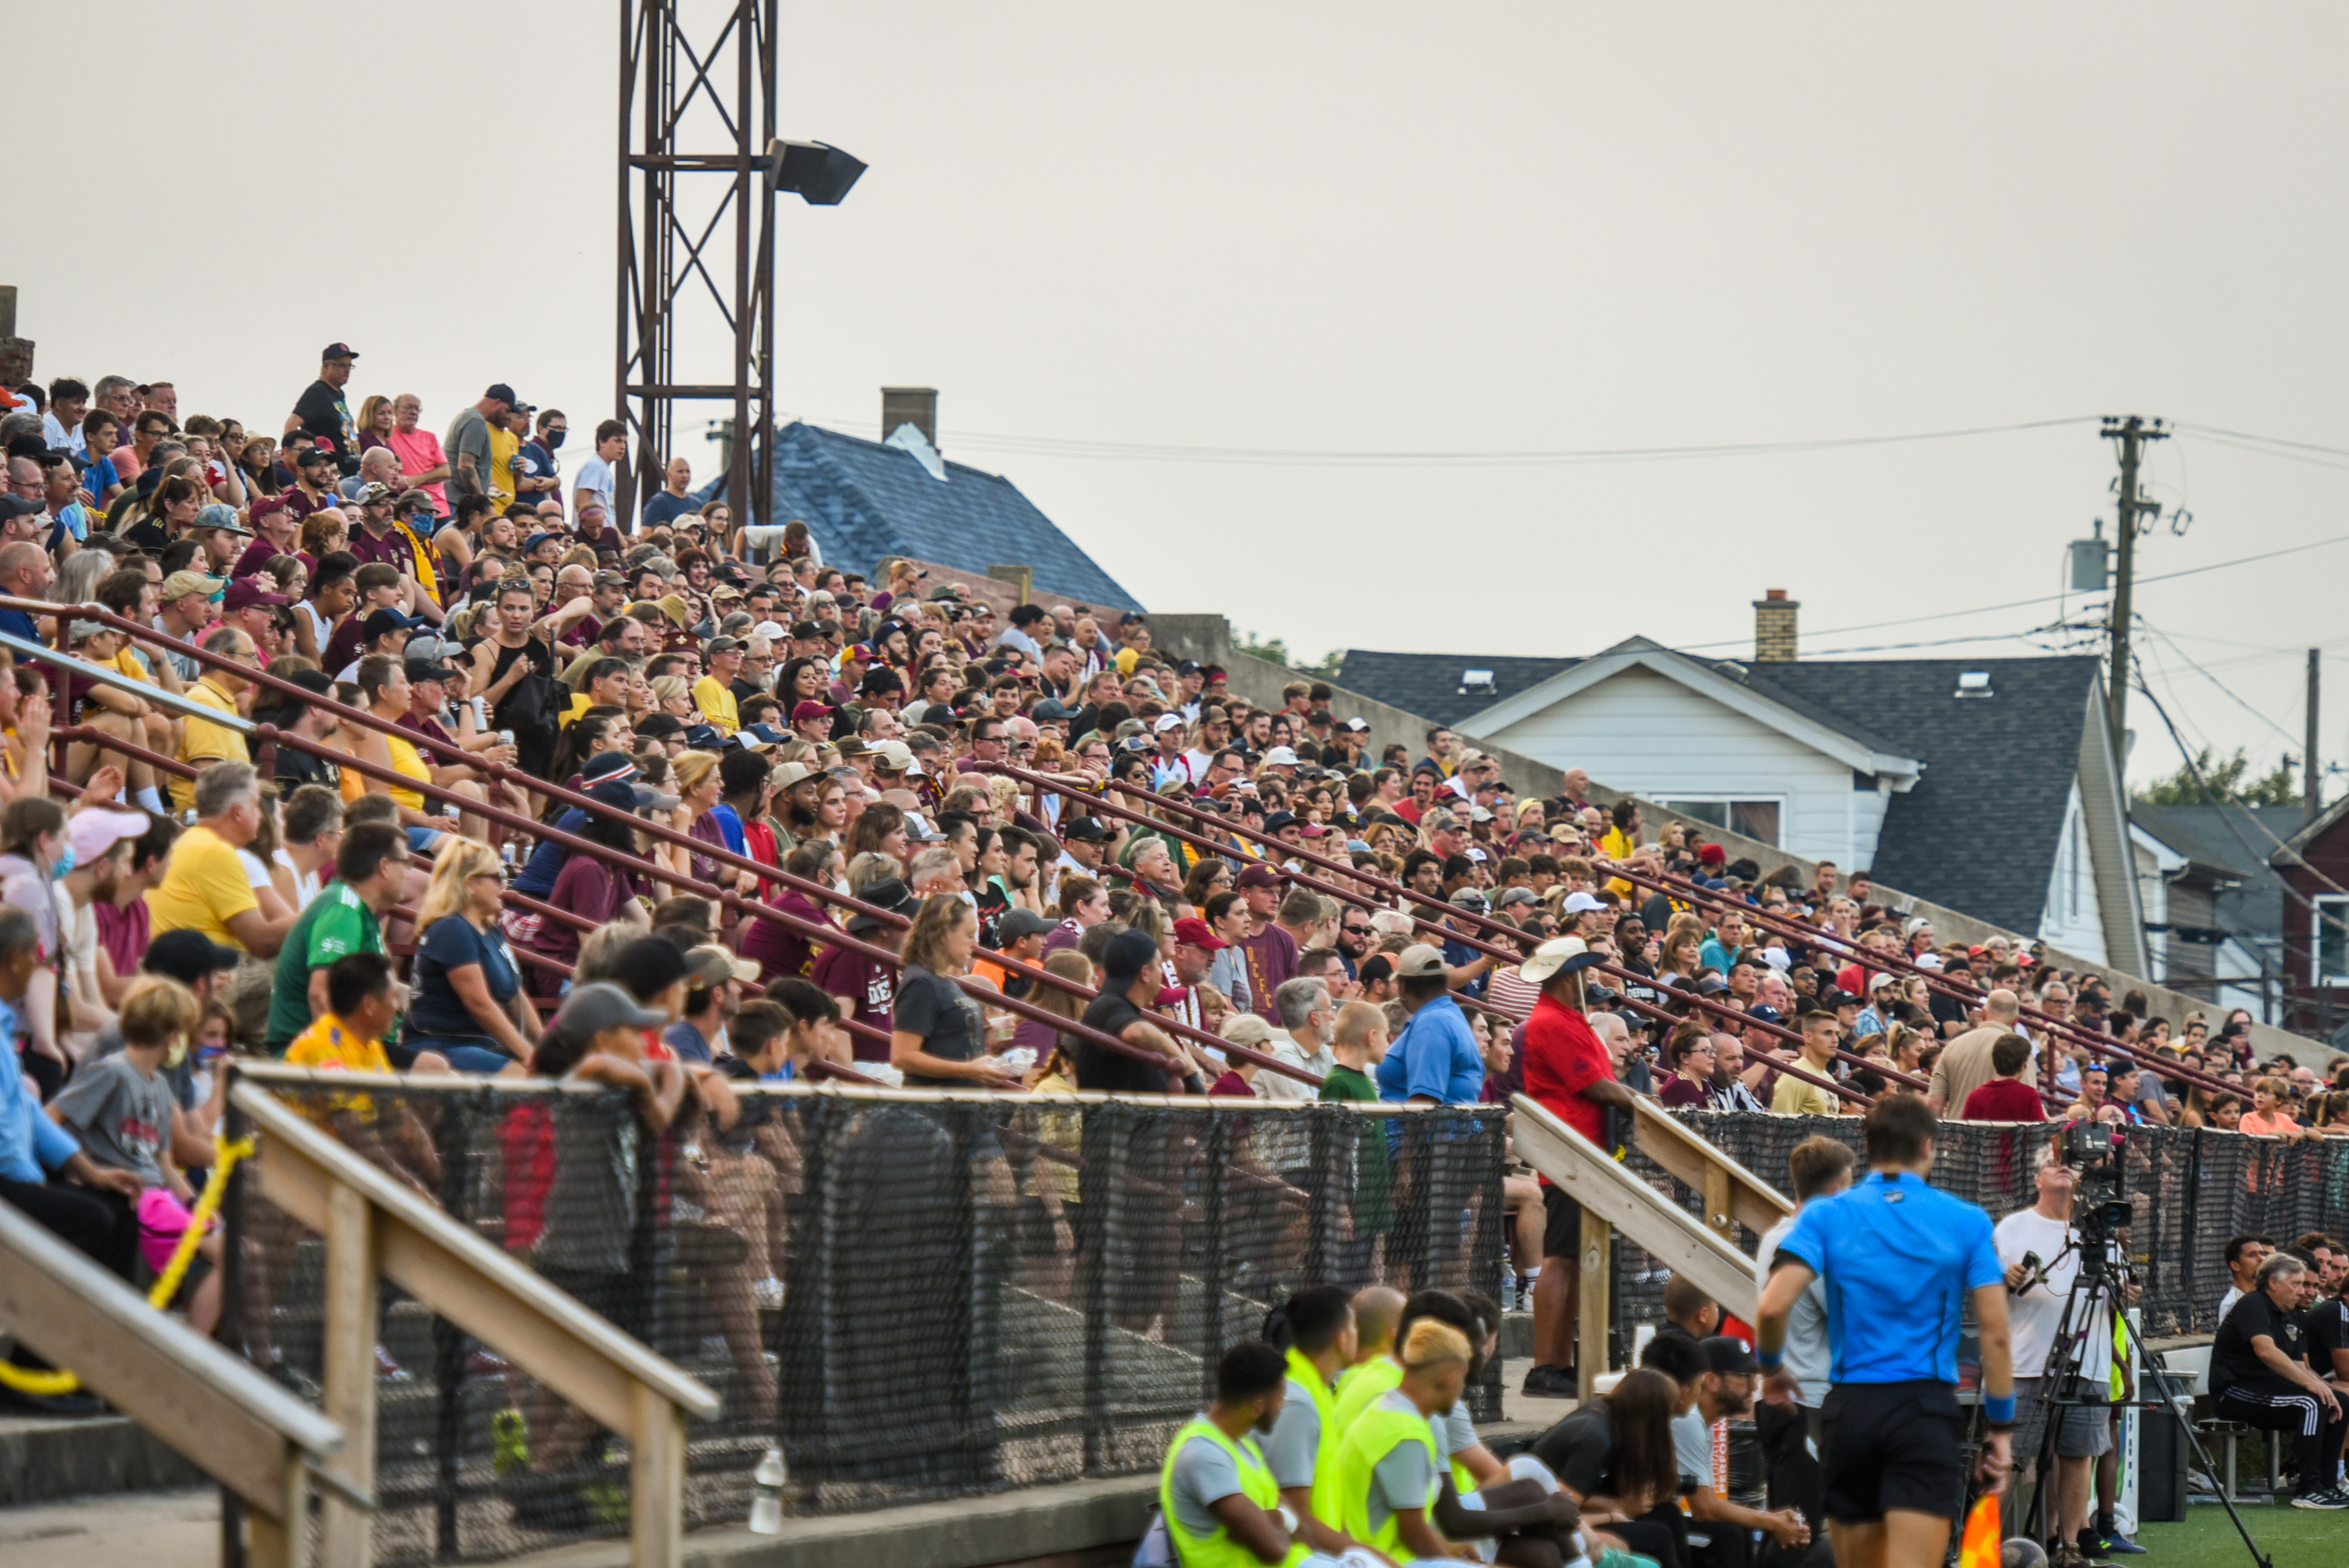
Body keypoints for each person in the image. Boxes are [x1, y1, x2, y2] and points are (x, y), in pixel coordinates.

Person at [1757, 1094, 2015, 1568]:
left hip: (1851, 1410)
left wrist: (1772, 1369)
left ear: (1869, 1146)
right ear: (1927, 1145)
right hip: (1923, 1409)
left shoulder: (1824, 1214)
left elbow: (1773, 1307)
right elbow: (1997, 1335)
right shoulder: (1967, 1221)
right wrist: (2001, 1429)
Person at [1518, 935, 1636, 1399]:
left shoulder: (1566, 1018)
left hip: (1580, 1152)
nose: (1589, 978)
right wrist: (1640, 1107)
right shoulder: (1553, 1022)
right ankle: (1545, 1364)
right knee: (1561, 1260)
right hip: (1571, 1153)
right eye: (1583, 970)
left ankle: (1558, 1364)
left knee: (1567, 1260)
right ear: (1569, 975)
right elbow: (1595, 1085)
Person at [1994, 1144, 2116, 1565]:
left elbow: (2115, 1301)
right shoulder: (2012, 1228)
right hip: (2028, 1362)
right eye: (2052, 1162)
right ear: (2037, 1179)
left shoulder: (2100, 1231)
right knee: (2012, 1456)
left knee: (2078, 1454)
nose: (2063, 1167)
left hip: (2089, 1362)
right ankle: (1984, 1546)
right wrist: (2005, 1278)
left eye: (2070, 1163)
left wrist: (2126, 1293)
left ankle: (2069, 1546)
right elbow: (1987, 1292)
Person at [1752, 1135, 1853, 1558]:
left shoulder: (1778, 1234)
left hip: (1792, 1398)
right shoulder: (1804, 1241)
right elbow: (1846, 1314)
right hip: (1804, 1401)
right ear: (1835, 1191)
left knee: (1788, 1528)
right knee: (1799, 1534)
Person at [2208, 1253, 2349, 1508]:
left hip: (2269, 1389)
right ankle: (2308, 1489)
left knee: (2339, 1401)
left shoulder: (2294, 1316)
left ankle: (2329, 1484)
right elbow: (2266, 1351)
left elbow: (2298, 1366)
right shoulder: (2253, 1304)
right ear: (2274, 1283)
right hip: (2234, 1390)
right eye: (2296, 1284)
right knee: (2310, 1403)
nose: (2302, 1291)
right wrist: (2311, 1386)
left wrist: (2325, 1388)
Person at [262, 823, 410, 1057]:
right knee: (435, 1067)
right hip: (303, 1056)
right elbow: (320, 994)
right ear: (384, 866)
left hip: (362, 1046)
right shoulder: (342, 907)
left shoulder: (361, 910)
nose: (409, 872)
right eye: (405, 863)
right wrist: (341, 1069)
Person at [402, 839, 537, 1074]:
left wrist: (546, 1053)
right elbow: (479, 1004)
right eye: (497, 877)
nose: (503, 886)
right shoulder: (452, 928)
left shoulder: (490, 930)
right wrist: (529, 1056)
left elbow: (517, 997)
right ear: (470, 883)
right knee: (523, 1075)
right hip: (443, 1046)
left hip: (478, 1044)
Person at [889, 896, 1021, 1089]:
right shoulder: (921, 984)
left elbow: (951, 1041)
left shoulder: (939, 980)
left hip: (959, 1108)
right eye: (969, 936)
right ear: (943, 934)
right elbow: (902, 1057)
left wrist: (993, 1040)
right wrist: (968, 1070)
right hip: (936, 1109)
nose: (975, 945)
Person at [1377, 943, 1483, 1105]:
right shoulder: (1447, 1014)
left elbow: (1423, 1106)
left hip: (1425, 1129)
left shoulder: (1431, 1024)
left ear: (1403, 987)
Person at [1961, 1035, 2045, 1122]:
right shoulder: (2029, 1095)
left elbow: (1966, 1130)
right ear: (2022, 1066)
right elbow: (2040, 1130)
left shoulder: (1975, 1096)